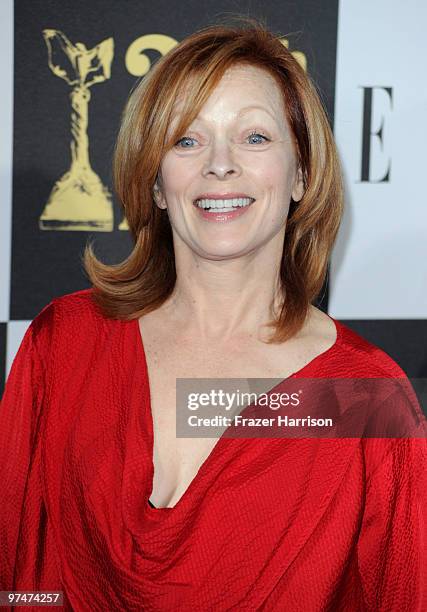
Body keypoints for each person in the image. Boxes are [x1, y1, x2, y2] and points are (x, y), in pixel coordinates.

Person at [1, 16, 426, 612]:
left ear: (302, 172)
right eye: (186, 139)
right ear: (155, 181)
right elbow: (21, 579)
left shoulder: (364, 398)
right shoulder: (64, 343)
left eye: (254, 138)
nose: (219, 164)